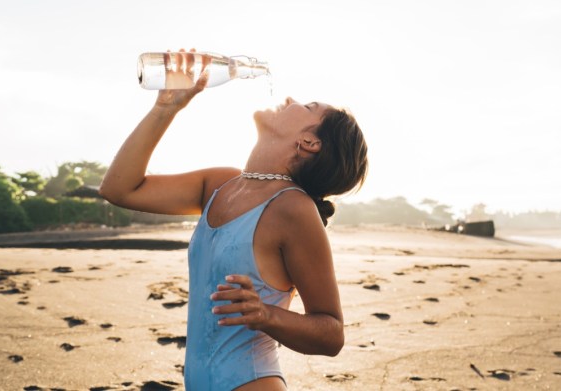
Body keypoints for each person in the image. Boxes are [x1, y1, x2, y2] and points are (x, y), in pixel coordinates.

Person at [99, 50, 368, 391]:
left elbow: (331, 334)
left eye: (308, 106)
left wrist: (267, 315)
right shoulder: (220, 184)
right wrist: (165, 108)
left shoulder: (293, 209)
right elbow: (119, 189)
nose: (290, 99)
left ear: (310, 142)